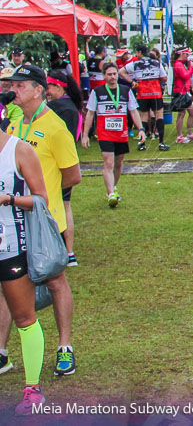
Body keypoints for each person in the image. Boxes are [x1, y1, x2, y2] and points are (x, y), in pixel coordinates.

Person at [0, 64, 80, 377]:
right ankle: (3, 352)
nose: (13, 91)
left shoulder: (55, 126)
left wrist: (40, 195)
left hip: (45, 220)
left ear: (38, 90)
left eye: (20, 86)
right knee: (8, 286)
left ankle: (65, 348)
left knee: (56, 281)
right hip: (13, 220)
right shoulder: (15, 120)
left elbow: (72, 175)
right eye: (12, 85)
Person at [0, 120, 51, 414]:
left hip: (12, 248)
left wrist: (8, 199)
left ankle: (33, 389)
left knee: (24, 317)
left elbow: (41, 199)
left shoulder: (19, 150)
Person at [82, 62, 146, 207]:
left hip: (121, 133)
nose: (112, 77)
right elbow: (90, 114)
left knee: (118, 163)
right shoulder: (97, 92)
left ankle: (114, 187)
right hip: (104, 133)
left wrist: (141, 129)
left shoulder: (125, 91)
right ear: (104, 76)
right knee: (108, 162)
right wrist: (85, 134)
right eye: (109, 74)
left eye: (115, 74)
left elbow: (134, 111)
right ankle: (110, 193)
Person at [44, 70, 83, 264]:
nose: (46, 92)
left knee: (58, 206)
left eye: (48, 87)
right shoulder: (72, 106)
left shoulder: (56, 107)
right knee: (65, 205)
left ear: (58, 87)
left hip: (57, 164)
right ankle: (68, 252)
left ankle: (65, 250)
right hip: (69, 160)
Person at [120, 44, 169, 151]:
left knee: (143, 118)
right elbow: (164, 78)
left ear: (140, 52)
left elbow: (121, 72)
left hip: (142, 93)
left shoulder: (135, 63)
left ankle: (142, 143)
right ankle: (161, 142)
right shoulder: (156, 63)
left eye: (137, 53)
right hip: (155, 93)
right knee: (159, 116)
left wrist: (132, 81)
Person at [172, 49, 193, 144]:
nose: (187, 57)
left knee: (192, 112)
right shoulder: (178, 64)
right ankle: (179, 136)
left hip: (184, 91)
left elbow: (187, 77)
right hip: (179, 92)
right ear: (182, 54)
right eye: (186, 54)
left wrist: (191, 86)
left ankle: (189, 133)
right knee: (182, 113)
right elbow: (185, 76)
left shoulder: (182, 64)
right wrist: (191, 68)